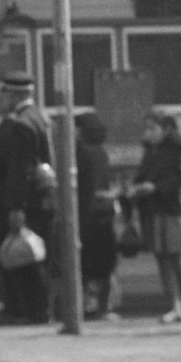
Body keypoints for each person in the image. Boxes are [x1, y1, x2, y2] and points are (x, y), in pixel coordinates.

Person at [0, 72, 55, 324]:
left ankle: (32, 311)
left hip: (24, 200)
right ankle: (39, 309)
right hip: (42, 197)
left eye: (4, 93)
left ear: (13, 94)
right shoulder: (41, 118)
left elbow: (19, 170)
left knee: (23, 257)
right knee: (36, 253)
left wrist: (15, 206)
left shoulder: (21, 124)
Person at [132, 110, 181, 323]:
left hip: (171, 210)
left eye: (153, 128)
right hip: (152, 210)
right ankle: (173, 305)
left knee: (176, 259)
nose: (148, 133)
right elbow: (141, 174)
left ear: (166, 128)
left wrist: (156, 187)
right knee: (161, 260)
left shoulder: (178, 149)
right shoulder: (150, 150)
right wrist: (138, 187)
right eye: (147, 128)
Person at [75, 111, 120, 321]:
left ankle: (88, 305)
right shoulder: (101, 152)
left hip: (87, 214)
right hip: (104, 213)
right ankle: (103, 306)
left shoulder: (81, 151)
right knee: (104, 264)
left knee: (86, 264)